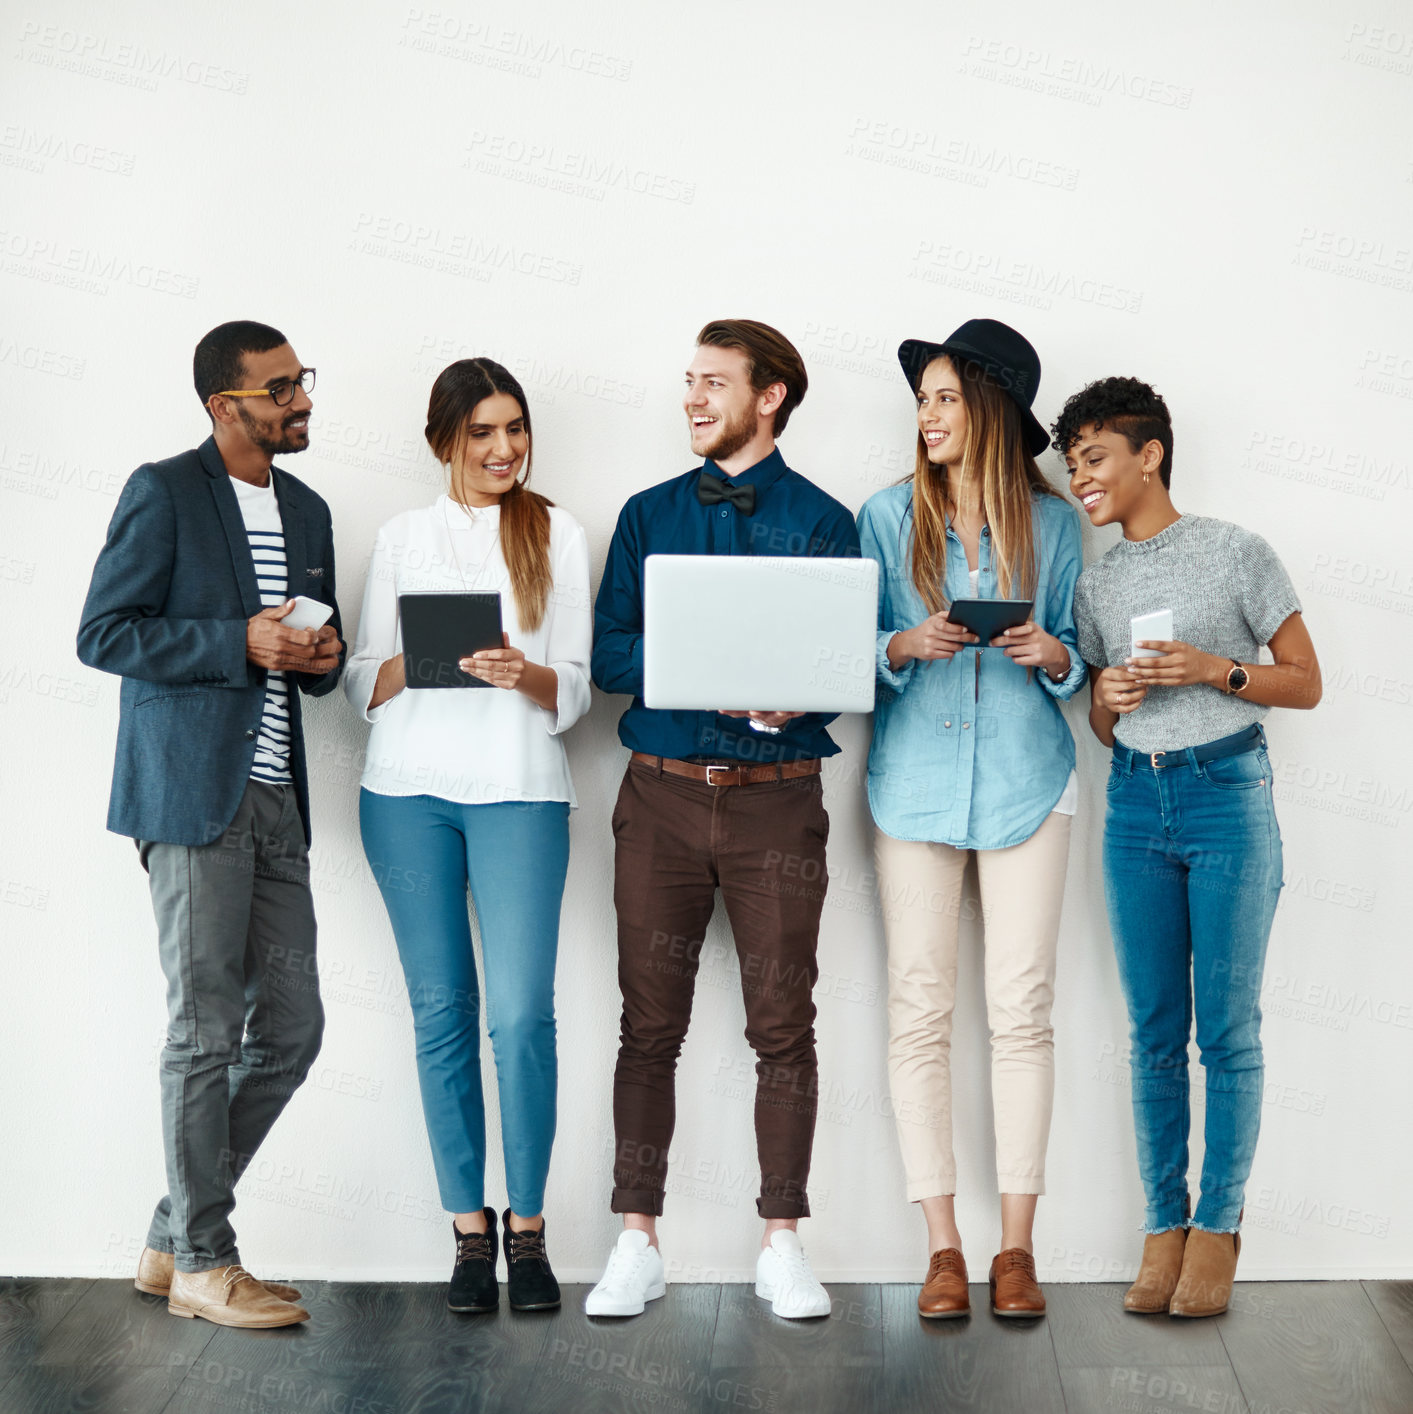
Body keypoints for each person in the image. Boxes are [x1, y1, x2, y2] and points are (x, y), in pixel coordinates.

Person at [585, 319, 859, 1320]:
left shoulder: (828, 522)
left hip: (777, 805)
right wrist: (698, 657)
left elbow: (840, 671)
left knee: (783, 1028)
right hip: (656, 799)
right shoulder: (647, 513)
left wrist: (801, 694)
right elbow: (609, 655)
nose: (693, 399)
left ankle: (782, 1241)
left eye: (714, 382)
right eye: (688, 383)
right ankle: (636, 1240)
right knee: (646, 1026)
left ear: (771, 394)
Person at [76, 321, 343, 1328]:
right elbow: (106, 631)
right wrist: (238, 639)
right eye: (280, 388)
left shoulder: (309, 508)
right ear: (222, 404)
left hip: (276, 799)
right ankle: (203, 1258)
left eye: (302, 380)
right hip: (191, 799)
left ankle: (170, 1236)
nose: (301, 400)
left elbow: (305, 644)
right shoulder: (166, 489)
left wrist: (317, 657)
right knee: (204, 1029)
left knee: (293, 1027)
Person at [1055, 376, 1321, 1317]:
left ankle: (1218, 1227)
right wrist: (1107, 701)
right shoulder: (1096, 583)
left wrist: (1217, 669)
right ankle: (1161, 1226)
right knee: (1154, 1034)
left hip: (1225, 799)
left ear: (1148, 454)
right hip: (1134, 804)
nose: (1079, 477)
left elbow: (1305, 682)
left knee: (1229, 1033)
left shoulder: (1235, 552)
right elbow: (1095, 717)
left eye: (1093, 457)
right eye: (1071, 463)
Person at [344, 359, 590, 1314]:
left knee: (521, 1015)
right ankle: (466, 1234)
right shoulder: (402, 537)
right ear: (444, 439)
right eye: (482, 433)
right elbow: (365, 682)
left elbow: (571, 688)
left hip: (520, 793)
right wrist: (421, 659)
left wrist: (516, 671)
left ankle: (527, 1231)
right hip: (405, 795)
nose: (503, 450)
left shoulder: (558, 535)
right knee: (442, 1014)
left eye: (515, 429)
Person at [858, 319, 1084, 1320]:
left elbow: (1081, 651)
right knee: (918, 1007)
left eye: (947, 397)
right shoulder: (884, 515)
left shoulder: (1061, 525)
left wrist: (1055, 657)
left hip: (1031, 784)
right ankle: (944, 1246)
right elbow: (853, 651)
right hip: (911, 783)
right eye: (924, 399)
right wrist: (903, 644)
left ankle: (1017, 1249)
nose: (929, 415)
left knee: (1022, 1009)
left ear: (991, 411)